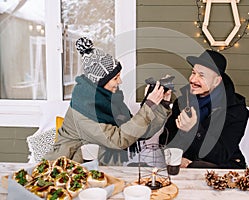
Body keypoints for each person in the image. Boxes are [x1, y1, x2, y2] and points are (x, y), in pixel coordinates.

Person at [45, 37, 172, 165]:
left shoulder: (109, 100)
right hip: (68, 169)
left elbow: (138, 131)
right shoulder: (83, 110)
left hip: (97, 166)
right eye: (115, 78)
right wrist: (148, 107)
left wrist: (162, 105)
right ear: (100, 82)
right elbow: (119, 140)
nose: (120, 82)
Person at [159, 50, 249, 169]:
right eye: (193, 73)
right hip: (184, 169)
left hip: (223, 171)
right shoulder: (182, 102)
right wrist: (177, 157)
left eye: (201, 75)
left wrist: (194, 130)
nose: (193, 79)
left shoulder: (236, 111)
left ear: (217, 81)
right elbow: (165, 140)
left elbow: (221, 155)